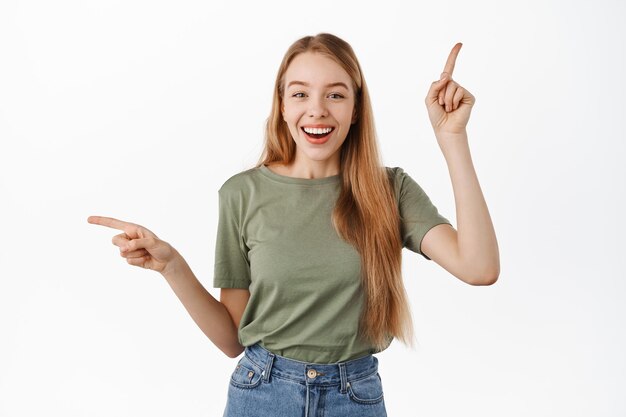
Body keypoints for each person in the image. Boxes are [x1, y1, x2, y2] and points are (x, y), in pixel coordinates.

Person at [88, 33, 499, 417]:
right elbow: (232, 340)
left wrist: (453, 140)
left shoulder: (390, 190)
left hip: (355, 398)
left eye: (335, 95)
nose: (317, 109)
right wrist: (171, 265)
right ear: (282, 106)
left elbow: (479, 268)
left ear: (355, 109)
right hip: (262, 393)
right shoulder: (241, 193)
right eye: (300, 93)